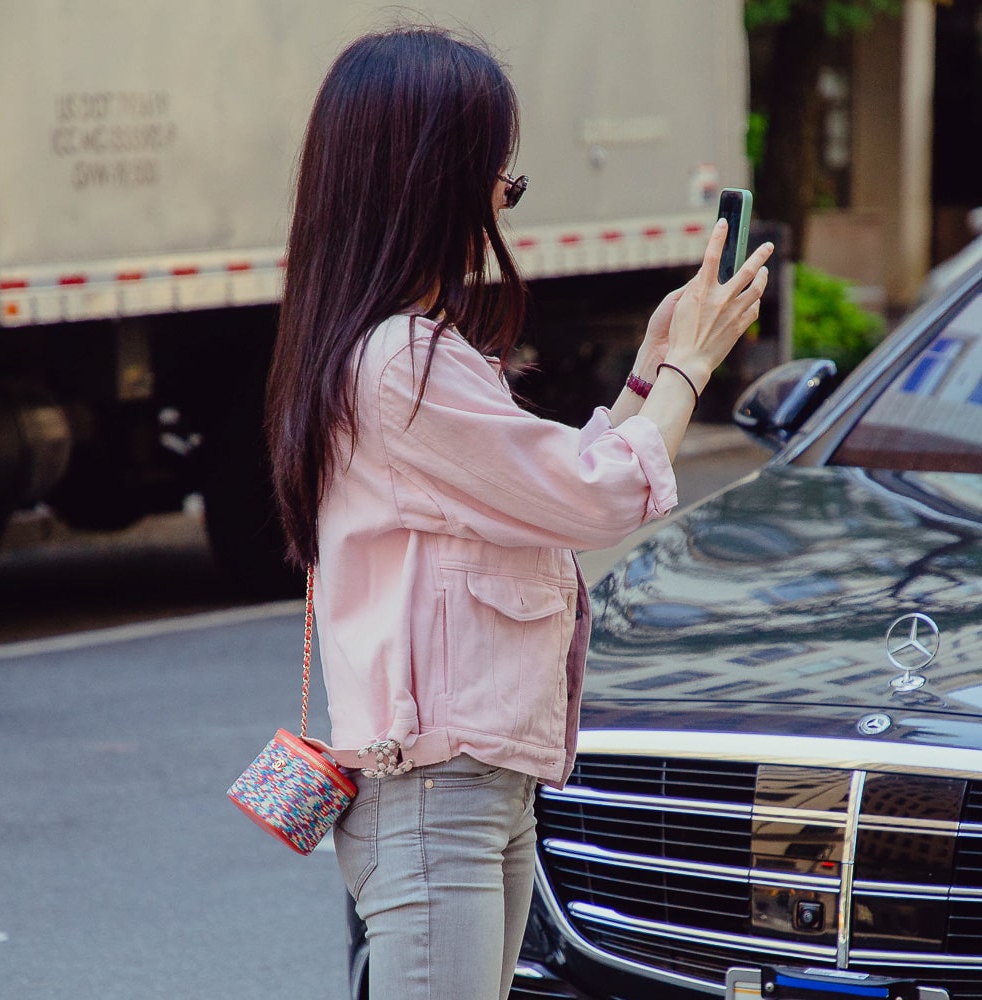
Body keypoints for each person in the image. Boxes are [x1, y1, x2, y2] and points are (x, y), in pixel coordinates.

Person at [265, 25, 773, 1000]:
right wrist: (688, 368)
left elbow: (558, 492)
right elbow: (594, 494)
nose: (504, 199)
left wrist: (646, 371)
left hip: (476, 788)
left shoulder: (412, 351)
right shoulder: (398, 365)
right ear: (429, 181)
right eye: (498, 177)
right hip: (434, 795)